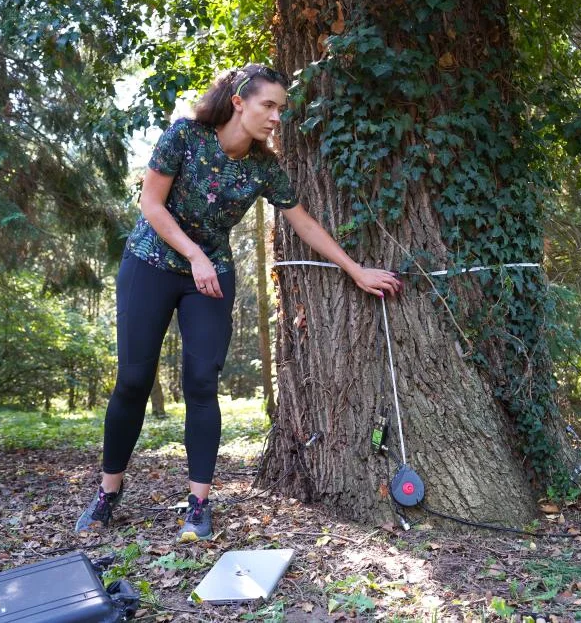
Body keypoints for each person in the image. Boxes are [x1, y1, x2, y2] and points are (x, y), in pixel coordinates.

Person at [75, 64, 402, 541]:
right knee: (132, 380)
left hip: (209, 277)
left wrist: (355, 270)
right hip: (151, 262)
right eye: (268, 106)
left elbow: (302, 222)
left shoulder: (264, 167)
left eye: (281, 110)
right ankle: (108, 492)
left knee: (202, 382)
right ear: (238, 102)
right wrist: (193, 255)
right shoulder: (184, 136)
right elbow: (151, 205)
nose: (276, 118)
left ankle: (199, 505)